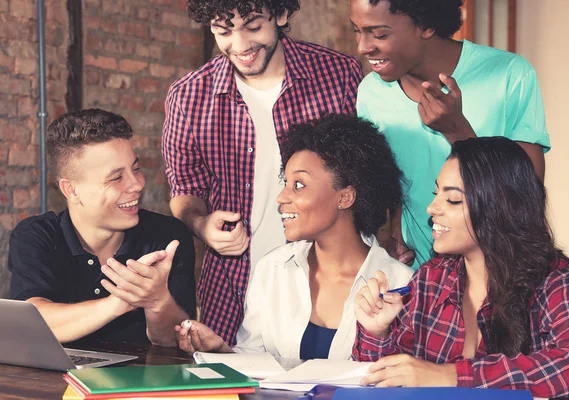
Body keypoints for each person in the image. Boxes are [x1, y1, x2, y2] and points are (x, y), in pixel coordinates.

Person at [162, 0, 363, 345]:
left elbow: (367, 171)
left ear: (281, 15)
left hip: (328, 288)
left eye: (253, 27)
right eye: (223, 31)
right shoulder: (189, 95)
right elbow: (184, 189)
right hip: (230, 292)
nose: (239, 46)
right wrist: (200, 224)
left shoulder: (339, 75)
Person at [353, 137, 569, 398]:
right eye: (437, 194)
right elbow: (384, 382)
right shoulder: (430, 280)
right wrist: (378, 333)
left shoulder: (559, 281)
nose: (432, 208)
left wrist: (450, 376)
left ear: (500, 207)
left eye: (453, 200)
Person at [176, 114, 414, 360]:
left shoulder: (401, 284)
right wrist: (221, 352)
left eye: (299, 185)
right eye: (285, 182)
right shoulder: (272, 269)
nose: (281, 197)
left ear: (345, 197)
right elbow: (253, 360)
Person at [349, 0, 550, 267]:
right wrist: (385, 238)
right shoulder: (371, 93)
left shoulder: (509, 74)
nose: (363, 47)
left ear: (427, 25)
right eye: (357, 30)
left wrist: (457, 131)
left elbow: (528, 194)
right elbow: (388, 183)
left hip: (496, 268)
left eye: (380, 34)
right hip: (417, 275)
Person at [8, 109, 196, 346]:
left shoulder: (167, 236)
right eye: (116, 178)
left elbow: (173, 340)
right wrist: (115, 304)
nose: (137, 184)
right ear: (71, 190)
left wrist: (157, 301)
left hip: (141, 382)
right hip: (55, 382)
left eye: (135, 169)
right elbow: (30, 324)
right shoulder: (38, 235)